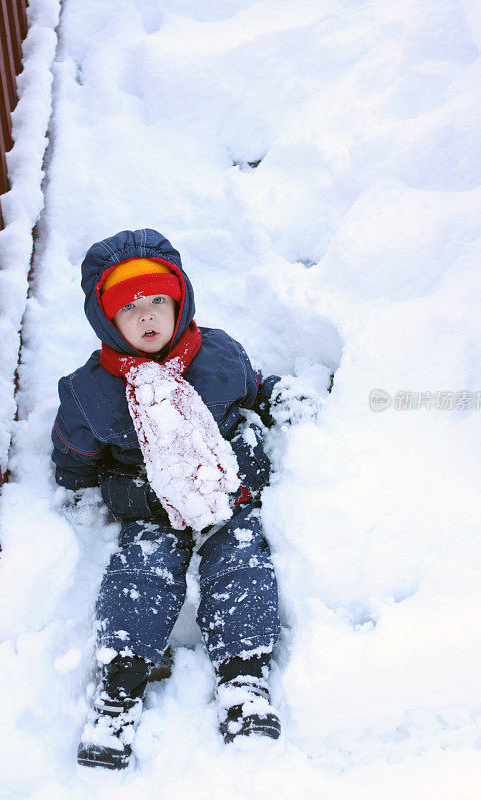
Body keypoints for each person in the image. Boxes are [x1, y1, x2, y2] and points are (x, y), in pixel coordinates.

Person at [51, 228, 299, 769]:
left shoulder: (218, 354)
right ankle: (120, 687)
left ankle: (244, 677)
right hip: (151, 504)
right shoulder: (91, 389)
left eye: (158, 301)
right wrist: (75, 482)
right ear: (106, 319)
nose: (147, 318)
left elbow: (250, 387)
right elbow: (73, 446)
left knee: (241, 563)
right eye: (129, 308)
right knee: (140, 573)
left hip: (222, 490)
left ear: (180, 300)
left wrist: (277, 395)